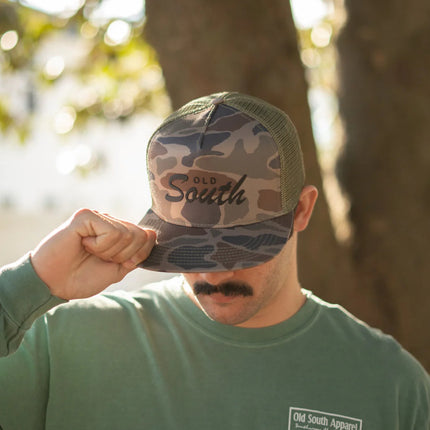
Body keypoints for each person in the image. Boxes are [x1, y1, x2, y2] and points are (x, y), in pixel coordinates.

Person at [0, 92, 429, 430]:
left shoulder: (391, 386)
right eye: (187, 247)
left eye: (239, 246)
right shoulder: (60, 343)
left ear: (302, 210)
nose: (211, 272)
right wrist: (31, 281)